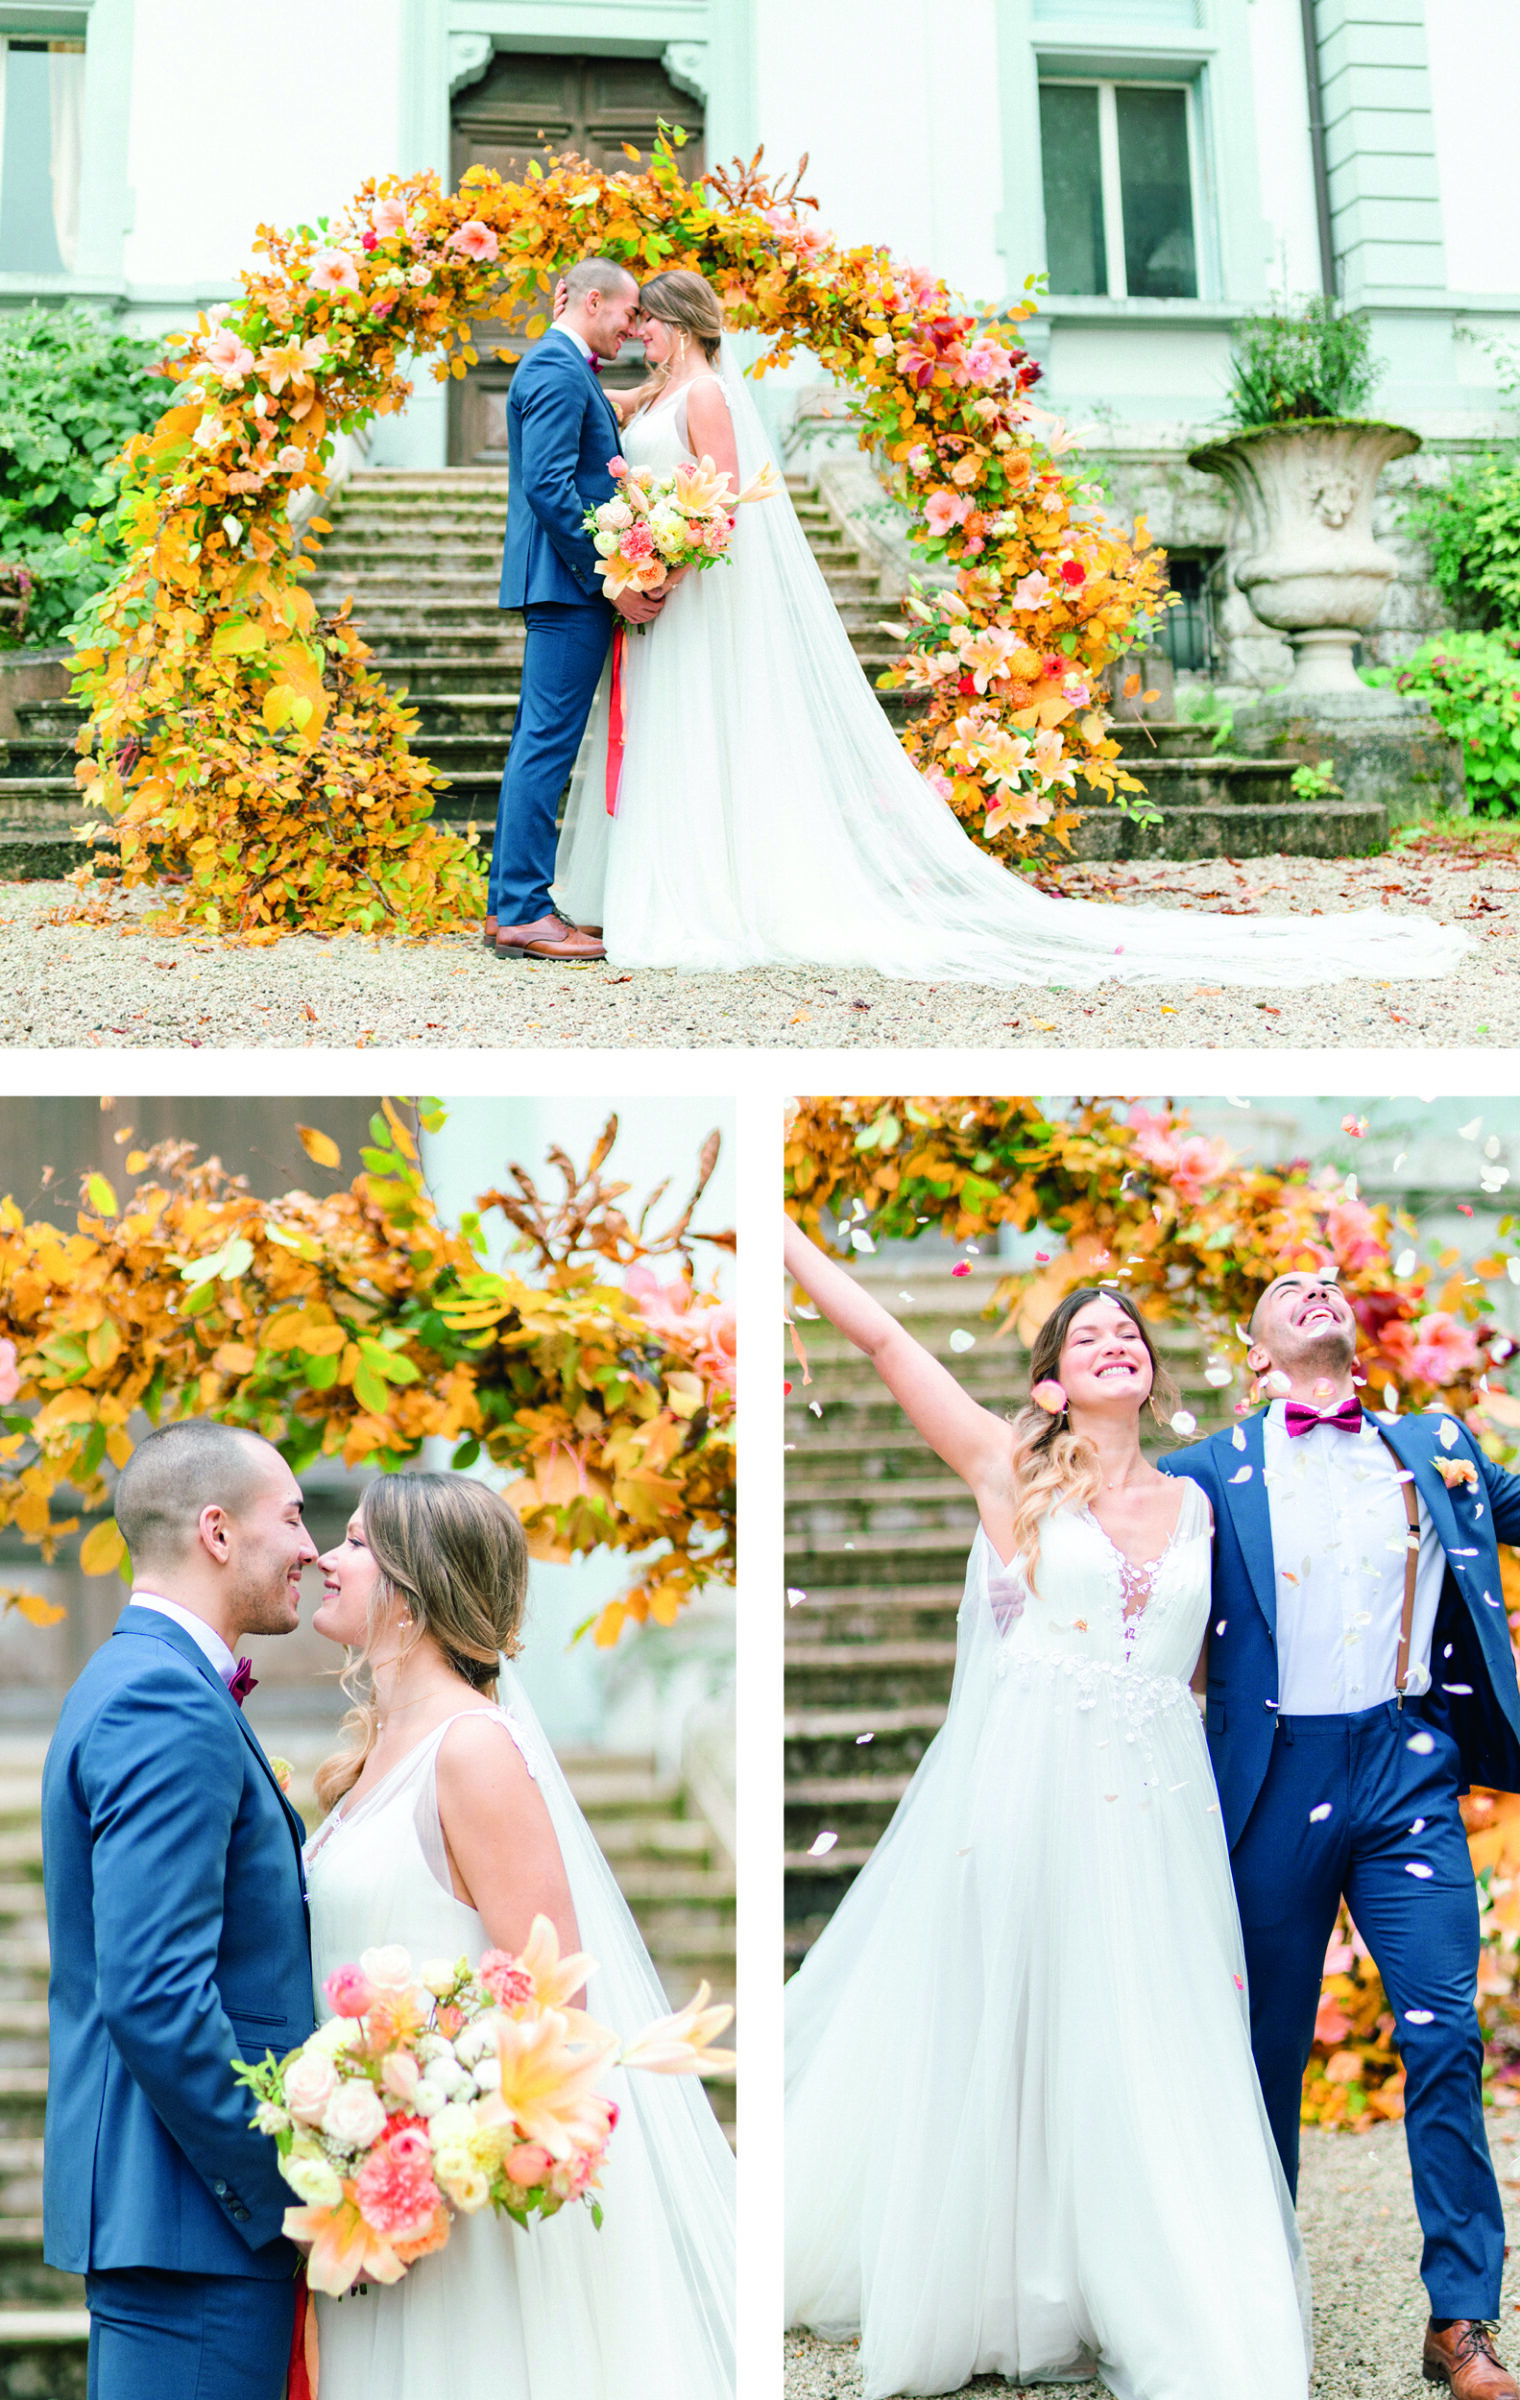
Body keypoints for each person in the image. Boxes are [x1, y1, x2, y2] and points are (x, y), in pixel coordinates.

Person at [553, 267, 1467, 988]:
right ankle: (664, 889)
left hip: (695, 593)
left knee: (708, 729)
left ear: (673, 324)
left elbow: (720, 508)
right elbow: (632, 445)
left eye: (645, 326)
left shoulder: (707, 397)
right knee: (677, 737)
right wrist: (634, 515)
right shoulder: (660, 395)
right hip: (658, 597)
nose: (635, 339)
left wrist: (664, 554)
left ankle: (709, 896)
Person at [781, 1221, 1310, 2400]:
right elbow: (876, 1341)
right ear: (1049, 1383)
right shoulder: (1005, 1470)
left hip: (1157, 1809)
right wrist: (783, 1239)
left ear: (1147, 1375)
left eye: (1128, 1332)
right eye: (1088, 1334)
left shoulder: (1204, 1502)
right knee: (1015, 2017)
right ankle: (1002, 2279)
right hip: (1026, 1788)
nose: (1114, 1340)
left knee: (1148, 2033)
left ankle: (1154, 2280)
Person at [1162, 1271, 1520, 2400]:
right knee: (1261, 2051)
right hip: (1271, 1777)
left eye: (1324, 1281)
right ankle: (1253, 2309)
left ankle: (1459, 2320)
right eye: (1284, 1288)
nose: (1311, 1285)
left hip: (1402, 1765)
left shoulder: (1431, 1445)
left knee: (1443, 2035)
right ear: (1255, 1356)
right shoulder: (1204, 1474)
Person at [303, 1471, 735, 2400]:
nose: (325, 1560)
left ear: (414, 1588)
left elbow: (554, 1999)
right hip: (378, 2184)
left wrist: (429, 2125)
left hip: (461, 2202)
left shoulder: (472, 1750)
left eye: (355, 1544)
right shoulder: (374, 1751)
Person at [41, 1420, 319, 2400]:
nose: (311, 1547)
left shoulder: (148, 1680)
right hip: (195, 2220)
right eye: (291, 1517)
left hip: (182, 2221)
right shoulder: (162, 1698)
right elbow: (156, 1995)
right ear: (216, 1531)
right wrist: (294, 2184)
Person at [487, 256, 666, 964]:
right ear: (594, 301)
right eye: (627, 315)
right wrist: (611, 578)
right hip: (567, 586)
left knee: (543, 740)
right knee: (546, 744)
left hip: (562, 582)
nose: (631, 329)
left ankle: (515, 903)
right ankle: (525, 910)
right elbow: (552, 489)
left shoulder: (566, 367)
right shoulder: (558, 371)